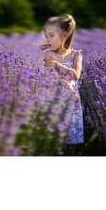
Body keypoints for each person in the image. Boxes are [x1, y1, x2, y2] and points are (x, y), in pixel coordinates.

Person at [38, 14, 84, 155]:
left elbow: (76, 75)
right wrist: (65, 83)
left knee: (72, 141)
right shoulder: (49, 55)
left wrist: (59, 65)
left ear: (63, 35)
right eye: (47, 36)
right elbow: (50, 78)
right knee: (56, 140)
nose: (48, 39)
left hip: (72, 101)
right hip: (55, 100)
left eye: (51, 35)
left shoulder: (76, 55)